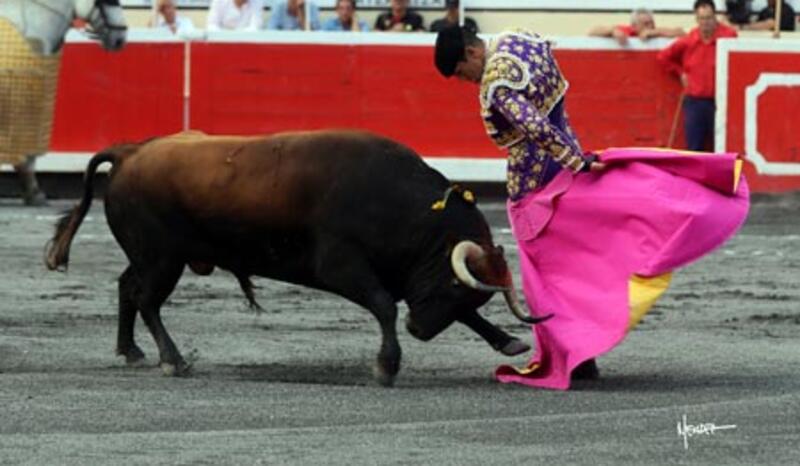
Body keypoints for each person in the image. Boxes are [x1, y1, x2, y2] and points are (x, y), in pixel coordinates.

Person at [433, 24, 749, 390]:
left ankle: (571, 353)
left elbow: (535, 126)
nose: (464, 81)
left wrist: (575, 161)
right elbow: (550, 97)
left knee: (548, 270)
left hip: (537, 186)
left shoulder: (497, 86)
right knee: (587, 246)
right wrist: (576, 158)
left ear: (472, 54)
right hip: (569, 161)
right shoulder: (521, 38)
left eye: (460, 72)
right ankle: (581, 350)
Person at [658, 0, 737, 151]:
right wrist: (680, 72)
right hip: (695, 102)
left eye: (708, 18)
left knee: (722, 147)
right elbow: (663, 57)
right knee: (695, 147)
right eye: (702, 18)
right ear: (696, 19)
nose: (705, 23)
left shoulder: (728, 36)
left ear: (715, 17)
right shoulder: (689, 40)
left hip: (720, 102)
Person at [588, 8, 684, 46]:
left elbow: (681, 33)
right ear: (634, 26)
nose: (650, 26)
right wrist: (612, 31)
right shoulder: (628, 31)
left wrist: (654, 32)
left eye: (651, 23)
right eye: (646, 24)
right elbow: (592, 32)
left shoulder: (657, 31)